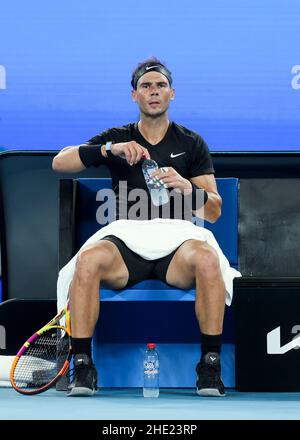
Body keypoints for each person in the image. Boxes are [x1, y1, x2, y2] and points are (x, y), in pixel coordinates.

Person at [53, 57, 240, 397]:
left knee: (208, 258)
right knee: (89, 259)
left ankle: (210, 366)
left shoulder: (191, 143)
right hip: (127, 244)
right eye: (146, 87)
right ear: (134, 96)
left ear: (172, 94)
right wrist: (108, 149)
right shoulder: (118, 138)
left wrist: (187, 186)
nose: (154, 92)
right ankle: (82, 365)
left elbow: (213, 211)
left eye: (160, 86)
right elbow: (60, 162)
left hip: (177, 246)